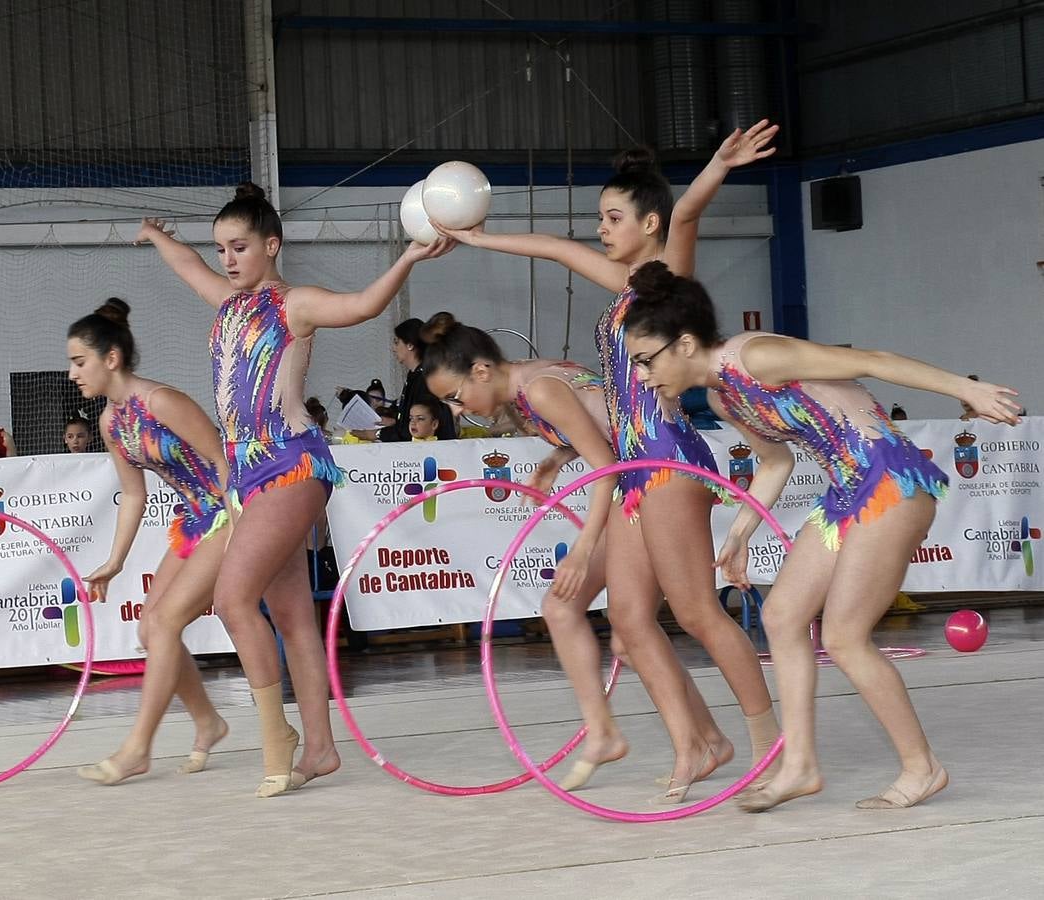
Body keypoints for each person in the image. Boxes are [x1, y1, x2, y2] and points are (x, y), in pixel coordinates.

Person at [430, 121, 782, 801]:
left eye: (614, 217)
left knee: (699, 613)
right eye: (601, 217)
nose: (602, 228)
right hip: (630, 474)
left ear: (649, 222)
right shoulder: (624, 285)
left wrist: (715, 166)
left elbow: (687, 213)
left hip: (669, 462)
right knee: (627, 620)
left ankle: (771, 744)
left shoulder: (665, 283)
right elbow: (557, 250)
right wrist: (476, 237)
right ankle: (699, 746)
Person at [619, 261, 1020, 811]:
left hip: (890, 481)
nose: (640, 376)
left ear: (684, 344)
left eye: (645, 361)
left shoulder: (756, 356)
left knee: (845, 636)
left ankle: (921, 767)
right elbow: (775, 461)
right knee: (782, 616)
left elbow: (873, 362)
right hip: (846, 494)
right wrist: (740, 530)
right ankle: (801, 765)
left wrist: (964, 389)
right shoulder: (721, 398)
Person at [134, 182, 452, 796]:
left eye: (240, 247)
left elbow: (361, 306)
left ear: (271, 245)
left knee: (231, 598)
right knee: (290, 616)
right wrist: (157, 238)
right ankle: (322, 749)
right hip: (248, 476)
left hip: (291, 464)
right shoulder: (227, 304)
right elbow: (187, 267)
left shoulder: (293, 305)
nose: (227, 260)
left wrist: (409, 257)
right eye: (221, 249)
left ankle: (274, 733)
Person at [421, 313, 627, 789]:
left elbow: (608, 467)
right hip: (638, 481)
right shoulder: (527, 385)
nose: (456, 410)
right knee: (578, 614)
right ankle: (613, 733)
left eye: (455, 398)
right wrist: (556, 458)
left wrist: (582, 547)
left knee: (634, 627)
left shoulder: (538, 390)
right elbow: (598, 430)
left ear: (481, 371)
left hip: (650, 482)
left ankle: (696, 738)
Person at [69, 298, 235, 787]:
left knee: (162, 623)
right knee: (149, 630)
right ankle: (209, 721)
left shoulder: (161, 401)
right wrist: (114, 562)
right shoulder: (110, 424)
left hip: (232, 510)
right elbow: (133, 494)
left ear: (111, 359)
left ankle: (137, 748)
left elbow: (224, 460)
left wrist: (242, 524)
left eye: (80, 362)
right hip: (195, 519)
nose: (73, 373)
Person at [380, 318, 458, 442]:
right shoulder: (414, 375)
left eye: (396, 342)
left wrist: (378, 434)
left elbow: (416, 428)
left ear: (410, 345)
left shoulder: (426, 379)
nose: (393, 348)